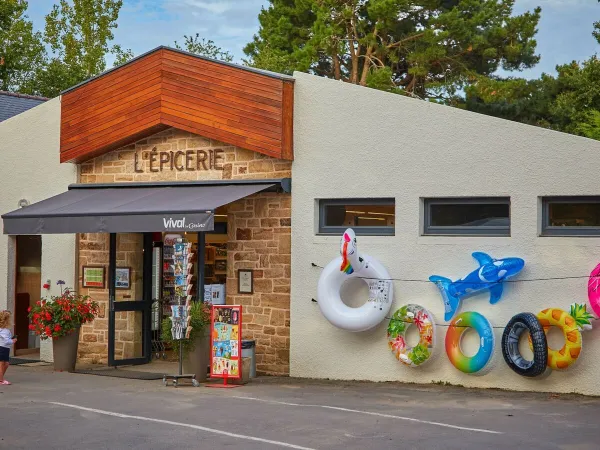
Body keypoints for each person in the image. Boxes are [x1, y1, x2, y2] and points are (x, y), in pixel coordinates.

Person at [0, 310, 17, 385]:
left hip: (5, 348)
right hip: (2, 348)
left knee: (5, 364)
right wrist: (13, 341)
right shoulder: (5, 330)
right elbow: (6, 341)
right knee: (2, 364)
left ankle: (1, 378)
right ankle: (1, 380)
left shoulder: (3, 329)